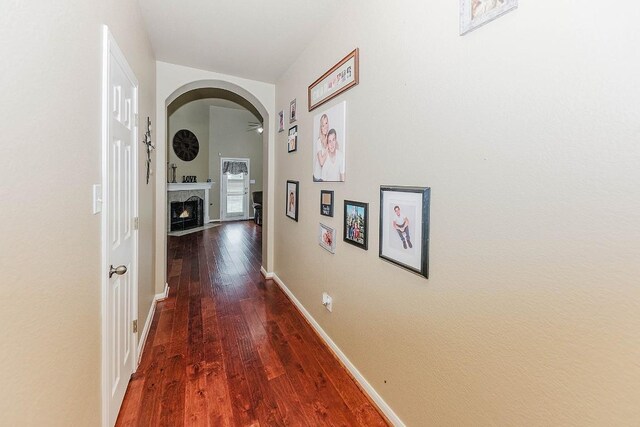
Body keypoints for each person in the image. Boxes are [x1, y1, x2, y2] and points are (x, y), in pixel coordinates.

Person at [313, 114, 329, 181]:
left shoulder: (329, 140)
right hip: (318, 177)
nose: (325, 127)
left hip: (324, 177)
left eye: (326, 123)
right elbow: (321, 162)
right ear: (321, 127)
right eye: (323, 125)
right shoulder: (319, 141)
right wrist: (327, 149)